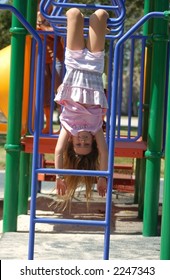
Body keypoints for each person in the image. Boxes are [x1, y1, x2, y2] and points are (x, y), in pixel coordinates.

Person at [54, 8, 109, 208]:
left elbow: (59, 151)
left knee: (74, 14)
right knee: (101, 15)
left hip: (75, 65)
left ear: (72, 142)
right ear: (93, 143)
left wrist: (60, 176)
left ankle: (76, 17)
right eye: (87, 145)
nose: (83, 141)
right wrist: (102, 178)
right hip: (94, 68)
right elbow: (103, 153)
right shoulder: (96, 129)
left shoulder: (67, 127)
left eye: (79, 144)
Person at [37, 1, 64, 133]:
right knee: (44, 93)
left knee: (60, 92)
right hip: (41, 58)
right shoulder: (34, 16)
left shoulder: (56, 14)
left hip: (57, 58)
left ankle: (62, 125)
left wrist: (41, 24)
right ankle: (48, 125)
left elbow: (56, 33)